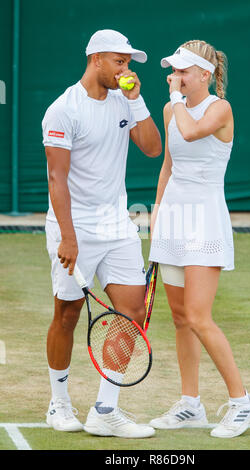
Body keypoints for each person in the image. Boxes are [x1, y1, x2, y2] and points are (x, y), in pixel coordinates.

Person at [41, 29, 162, 438]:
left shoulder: (124, 101)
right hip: (73, 226)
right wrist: (68, 237)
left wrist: (135, 99)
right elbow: (57, 179)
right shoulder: (63, 109)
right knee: (67, 314)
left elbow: (152, 148)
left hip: (117, 227)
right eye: (119, 62)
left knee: (133, 312)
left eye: (128, 63)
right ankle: (58, 404)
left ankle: (105, 410)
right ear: (96, 60)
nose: (125, 70)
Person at [148, 40, 250, 438]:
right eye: (174, 70)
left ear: (204, 75)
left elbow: (192, 132)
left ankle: (242, 401)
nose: (175, 76)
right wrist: (156, 215)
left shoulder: (219, 109)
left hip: (205, 222)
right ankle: (190, 404)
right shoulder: (170, 109)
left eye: (183, 71)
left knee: (199, 316)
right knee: (180, 319)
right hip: (174, 220)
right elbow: (168, 165)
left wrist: (174, 98)